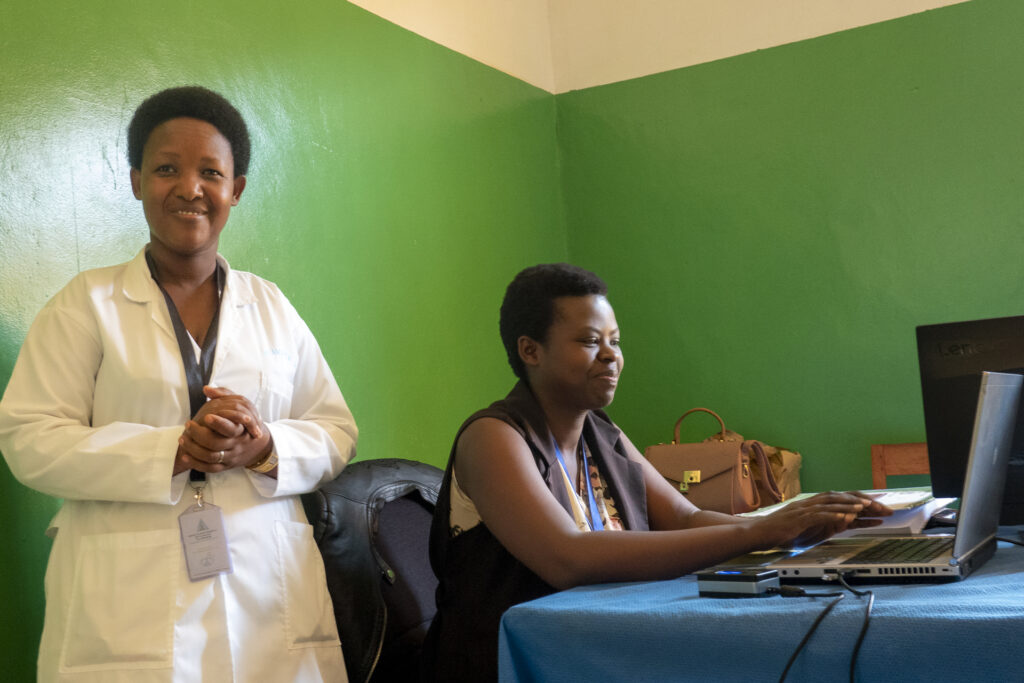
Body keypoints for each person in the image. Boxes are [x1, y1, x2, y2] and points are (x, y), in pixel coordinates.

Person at [0, 86, 358, 682]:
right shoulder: (85, 304)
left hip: (267, 593)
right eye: (167, 168)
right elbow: (29, 438)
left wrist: (265, 446)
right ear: (137, 180)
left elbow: (335, 430)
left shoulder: (272, 307)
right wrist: (168, 451)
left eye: (210, 172)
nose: (189, 188)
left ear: (235, 190)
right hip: (126, 602)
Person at [422, 263, 891, 682]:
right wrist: (762, 531)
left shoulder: (601, 432)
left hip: (600, 647)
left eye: (615, 341)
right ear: (531, 350)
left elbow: (686, 518)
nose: (611, 356)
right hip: (514, 663)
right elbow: (568, 559)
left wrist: (798, 528)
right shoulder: (493, 436)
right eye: (589, 341)